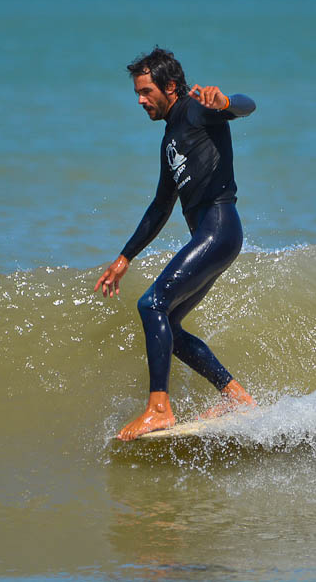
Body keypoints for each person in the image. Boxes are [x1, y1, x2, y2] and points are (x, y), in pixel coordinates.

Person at [95, 47, 257, 441]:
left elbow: (247, 106)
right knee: (167, 323)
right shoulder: (170, 136)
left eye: (146, 91)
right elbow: (161, 205)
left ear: (170, 86)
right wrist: (124, 257)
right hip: (214, 235)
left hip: (219, 226)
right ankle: (237, 397)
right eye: (137, 92)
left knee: (151, 304)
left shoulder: (197, 109)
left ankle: (158, 408)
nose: (140, 100)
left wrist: (226, 102)